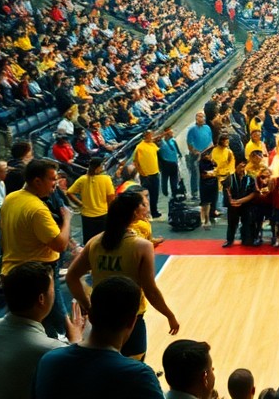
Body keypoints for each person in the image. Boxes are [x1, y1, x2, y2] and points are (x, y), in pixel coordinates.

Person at [67, 191, 180, 360]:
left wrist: (88, 306)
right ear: (135, 212)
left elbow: (71, 277)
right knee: (132, 368)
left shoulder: (95, 242)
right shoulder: (142, 246)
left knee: (102, 364)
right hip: (130, 317)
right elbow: (150, 290)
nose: (146, 206)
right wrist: (169, 315)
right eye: (143, 203)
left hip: (100, 315)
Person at [33, 276, 165, 399]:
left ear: (89, 314)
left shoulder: (48, 361)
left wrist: (75, 343)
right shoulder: (140, 376)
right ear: (132, 322)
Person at [0, 261, 85, 399]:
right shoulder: (50, 350)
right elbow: (79, 373)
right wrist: (76, 339)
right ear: (41, 299)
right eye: (53, 290)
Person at [1, 159, 72, 337]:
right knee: (59, 319)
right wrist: (67, 220)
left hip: (13, 270)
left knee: (28, 322)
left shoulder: (11, 198)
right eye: (52, 179)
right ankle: (69, 344)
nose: (55, 184)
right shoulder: (38, 209)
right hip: (39, 273)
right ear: (37, 181)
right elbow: (60, 244)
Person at [67, 157, 117, 243]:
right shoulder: (106, 179)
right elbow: (111, 198)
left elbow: (69, 192)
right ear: (98, 168)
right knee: (102, 240)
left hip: (87, 216)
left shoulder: (82, 179)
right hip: (102, 215)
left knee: (89, 241)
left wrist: (80, 204)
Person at [223, 159, 256, 248]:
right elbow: (227, 191)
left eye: (244, 166)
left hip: (246, 205)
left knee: (247, 222)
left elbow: (253, 193)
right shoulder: (230, 178)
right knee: (232, 223)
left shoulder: (250, 178)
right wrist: (231, 201)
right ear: (236, 166)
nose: (242, 169)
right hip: (233, 206)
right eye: (240, 166)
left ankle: (246, 239)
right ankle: (229, 240)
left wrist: (241, 201)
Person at [133, 130, 162, 219]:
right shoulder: (139, 147)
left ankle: (154, 211)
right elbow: (135, 161)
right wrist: (141, 172)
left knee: (155, 194)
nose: (151, 136)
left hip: (155, 173)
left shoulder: (152, 144)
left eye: (152, 135)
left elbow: (157, 150)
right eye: (150, 135)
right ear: (145, 136)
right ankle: (145, 213)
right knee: (144, 196)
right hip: (146, 175)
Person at [186, 113, 213, 200]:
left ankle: (207, 190)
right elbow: (189, 144)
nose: (203, 118)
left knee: (207, 172)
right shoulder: (192, 130)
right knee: (195, 174)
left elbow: (210, 141)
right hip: (195, 155)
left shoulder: (207, 128)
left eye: (203, 117)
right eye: (200, 117)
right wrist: (196, 152)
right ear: (196, 119)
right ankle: (195, 192)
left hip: (206, 154)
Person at [158, 128, 183, 201]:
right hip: (165, 164)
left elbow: (178, 151)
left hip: (174, 163)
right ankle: (165, 193)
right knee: (164, 180)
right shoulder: (161, 142)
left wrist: (179, 156)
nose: (173, 134)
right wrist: (163, 134)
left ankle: (174, 193)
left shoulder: (173, 141)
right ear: (167, 134)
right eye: (171, 132)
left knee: (174, 179)